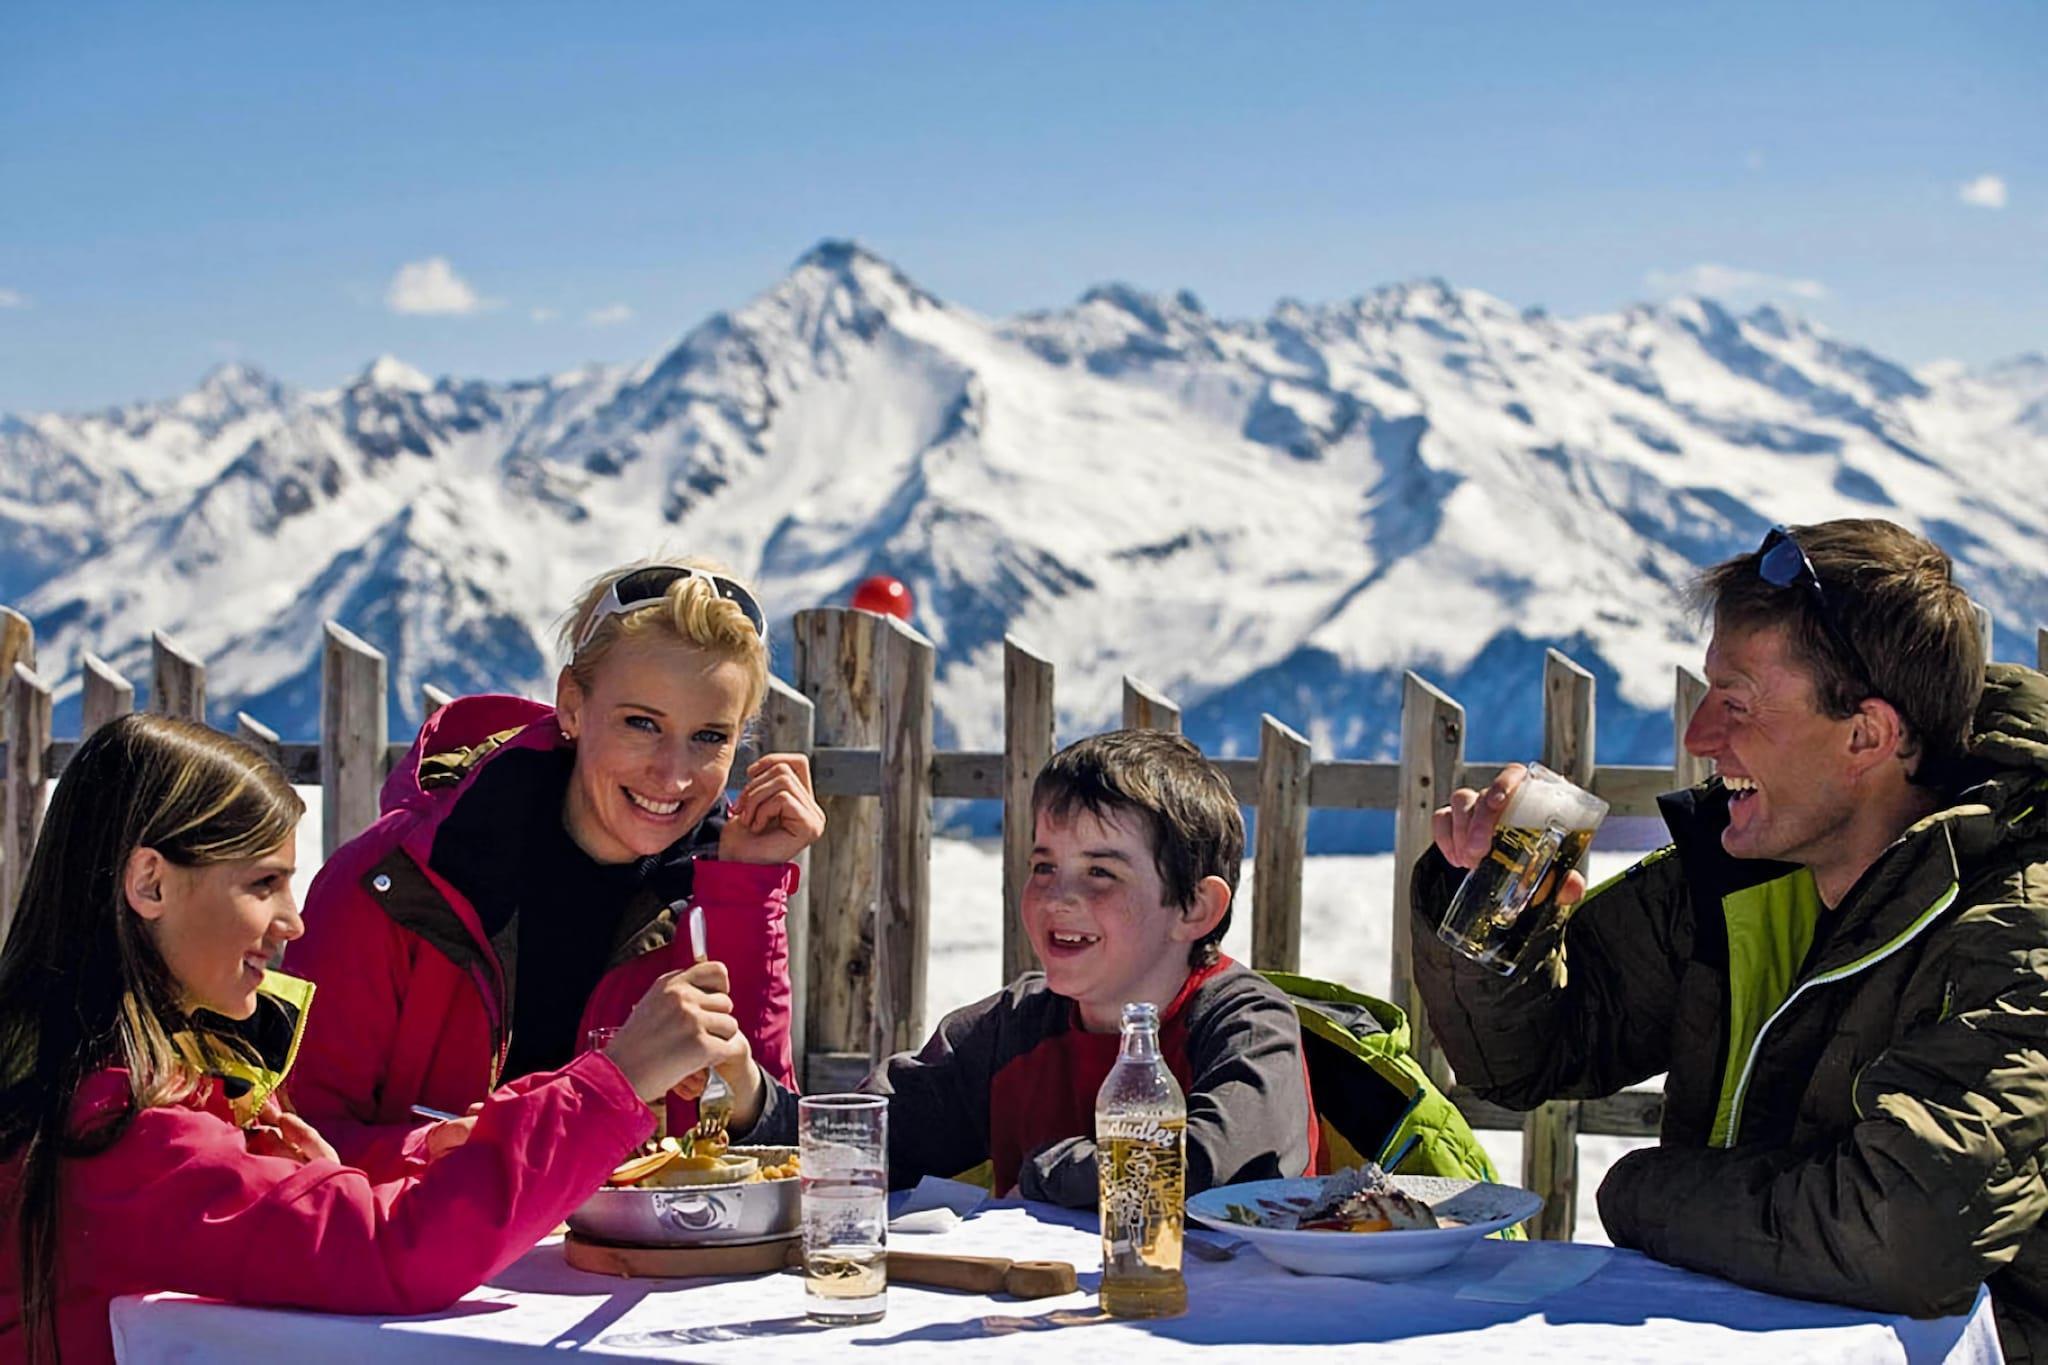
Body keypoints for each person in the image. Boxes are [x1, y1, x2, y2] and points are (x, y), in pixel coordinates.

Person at [1412, 519, 2048, 1354]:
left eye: (1736, 703)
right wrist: (1491, 903)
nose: (1699, 736)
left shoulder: (2020, 924)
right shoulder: (1746, 868)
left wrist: (1641, 1193)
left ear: (1867, 735)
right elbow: (1527, 1057)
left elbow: (1899, 1232)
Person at [0, 714, 749, 1365]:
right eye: (262, 884)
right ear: (151, 884)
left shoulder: (106, 1077)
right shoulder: (116, 1126)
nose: (293, 922)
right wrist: (615, 1082)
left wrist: (423, 1152)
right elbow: (392, 1251)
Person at [288, 558, 823, 1172]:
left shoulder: (722, 892)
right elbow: (290, 1145)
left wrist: (747, 890)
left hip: (638, 1238)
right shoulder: (397, 878)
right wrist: (448, 1158)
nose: (674, 776)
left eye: (709, 737)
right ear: (572, 705)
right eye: (642, 724)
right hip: (418, 1232)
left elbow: (763, 1160)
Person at [721, 729, 1318, 1205]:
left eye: (1101, 873)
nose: (1058, 897)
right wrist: (747, 1094)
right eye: (1043, 866)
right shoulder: (1012, 1029)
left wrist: (1048, 1168)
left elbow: (1209, 1167)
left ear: (1195, 908)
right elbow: (865, 1143)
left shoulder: (1246, 1022)